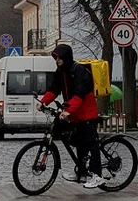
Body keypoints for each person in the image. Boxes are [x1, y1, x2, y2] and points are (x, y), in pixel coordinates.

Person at [36, 44, 104, 189]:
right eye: (56, 58)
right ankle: (82, 172)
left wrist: (68, 110)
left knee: (92, 143)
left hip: (87, 113)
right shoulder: (60, 72)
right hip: (75, 114)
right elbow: (53, 90)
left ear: (66, 57)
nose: (57, 60)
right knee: (79, 143)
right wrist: (43, 102)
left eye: (60, 58)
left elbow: (80, 94)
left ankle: (97, 175)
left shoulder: (79, 71)